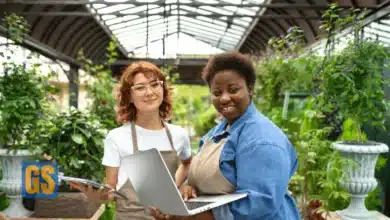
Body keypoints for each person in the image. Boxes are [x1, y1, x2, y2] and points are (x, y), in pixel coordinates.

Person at [150, 51, 301, 220]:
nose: (224, 98)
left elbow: (259, 205)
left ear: (250, 90)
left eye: (233, 90)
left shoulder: (262, 140)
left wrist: (190, 217)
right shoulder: (216, 133)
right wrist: (188, 189)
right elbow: (202, 178)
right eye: (216, 93)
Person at [69, 61, 192, 220]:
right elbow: (111, 192)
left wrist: (179, 186)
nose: (149, 92)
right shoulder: (117, 137)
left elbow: (187, 163)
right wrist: (95, 195)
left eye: (155, 84)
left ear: (163, 89)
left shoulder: (179, 134)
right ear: (130, 97)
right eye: (140, 87)